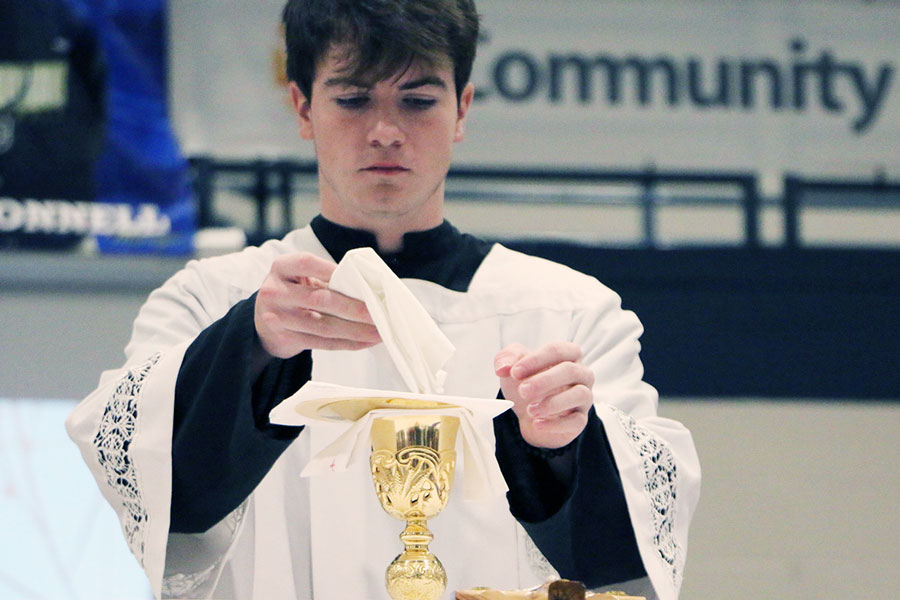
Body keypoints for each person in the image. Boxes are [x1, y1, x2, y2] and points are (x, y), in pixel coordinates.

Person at [66, 1, 700, 599]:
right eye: (352, 99)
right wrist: (252, 352)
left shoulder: (570, 312)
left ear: (462, 111)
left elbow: (636, 543)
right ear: (303, 107)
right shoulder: (212, 298)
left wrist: (556, 451)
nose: (386, 132)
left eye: (419, 100)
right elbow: (153, 494)